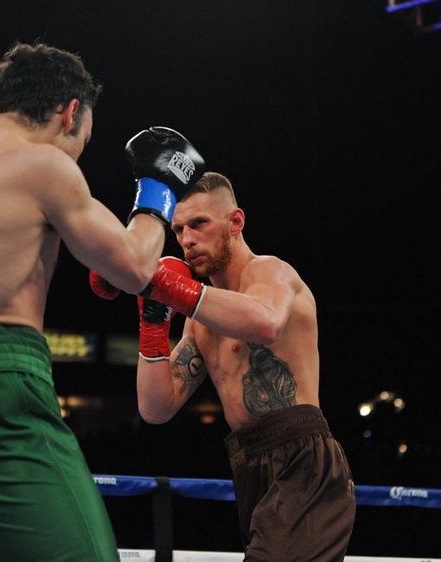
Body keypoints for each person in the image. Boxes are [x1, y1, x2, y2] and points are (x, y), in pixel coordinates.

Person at [0, 41, 205, 562]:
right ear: (69, 112)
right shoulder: (41, 164)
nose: (76, 155)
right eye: (83, 140)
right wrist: (159, 187)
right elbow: (135, 266)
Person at [91, 171, 356, 561]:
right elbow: (156, 407)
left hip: (302, 460)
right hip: (249, 464)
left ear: (235, 222)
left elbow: (265, 322)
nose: (187, 240)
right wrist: (154, 320)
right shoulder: (200, 321)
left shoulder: (269, 272)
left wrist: (163, 285)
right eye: (178, 229)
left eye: (199, 224)